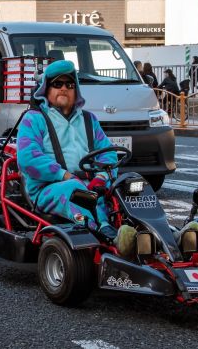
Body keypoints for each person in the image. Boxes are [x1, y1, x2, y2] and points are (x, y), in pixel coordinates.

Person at [16, 60, 136, 256]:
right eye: (57, 84)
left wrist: (102, 178)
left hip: (91, 183)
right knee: (75, 190)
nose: (64, 88)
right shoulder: (34, 119)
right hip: (49, 188)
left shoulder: (89, 120)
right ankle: (108, 234)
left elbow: (108, 153)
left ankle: (161, 237)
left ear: (76, 90)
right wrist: (65, 176)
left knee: (131, 185)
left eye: (69, 85)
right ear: (47, 89)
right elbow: (27, 158)